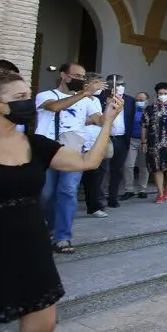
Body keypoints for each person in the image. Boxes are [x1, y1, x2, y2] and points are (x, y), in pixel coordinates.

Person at [0, 70, 123, 332]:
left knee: (40, 328)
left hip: (29, 245)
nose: (28, 101)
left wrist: (107, 122)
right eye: (19, 97)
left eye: (29, 93)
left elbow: (88, 162)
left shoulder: (35, 144)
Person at [34, 62, 106, 253]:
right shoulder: (46, 95)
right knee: (45, 193)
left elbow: (100, 120)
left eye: (83, 77)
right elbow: (54, 108)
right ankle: (49, 226)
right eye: (77, 76)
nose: (81, 80)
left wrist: (113, 107)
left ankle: (62, 237)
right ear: (64, 76)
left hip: (73, 150)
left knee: (67, 191)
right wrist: (83, 93)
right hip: (47, 150)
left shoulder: (87, 101)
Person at [98, 74, 135, 208]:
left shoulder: (130, 101)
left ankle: (113, 197)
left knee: (117, 170)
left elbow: (130, 120)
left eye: (122, 85)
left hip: (121, 138)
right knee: (102, 169)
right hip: (105, 138)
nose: (120, 87)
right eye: (117, 85)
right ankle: (100, 198)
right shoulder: (100, 98)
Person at [142, 82, 167, 203]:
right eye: (160, 93)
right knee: (156, 167)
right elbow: (144, 126)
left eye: (165, 93)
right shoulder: (149, 109)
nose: (162, 95)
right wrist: (144, 141)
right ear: (157, 94)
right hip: (154, 144)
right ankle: (160, 193)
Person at [80, 73, 108, 219]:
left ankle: (93, 207)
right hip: (80, 143)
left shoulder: (96, 100)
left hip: (95, 143)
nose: (100, 86)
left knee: (95, 177)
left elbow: (101, 119)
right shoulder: (78, 98)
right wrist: (94, 120)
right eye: (96, 82)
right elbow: (78, 120)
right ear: (87, 84)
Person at [120, 92, 150, 200]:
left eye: (141, 100)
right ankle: (129, 190)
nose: (139, 102)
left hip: (145, 141)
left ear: (147, 101)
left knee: (144, 166)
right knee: (128, 165)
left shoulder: (150, 112)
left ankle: (142, 189)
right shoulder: (131, 110)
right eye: (137, 100)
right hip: (132, 140)